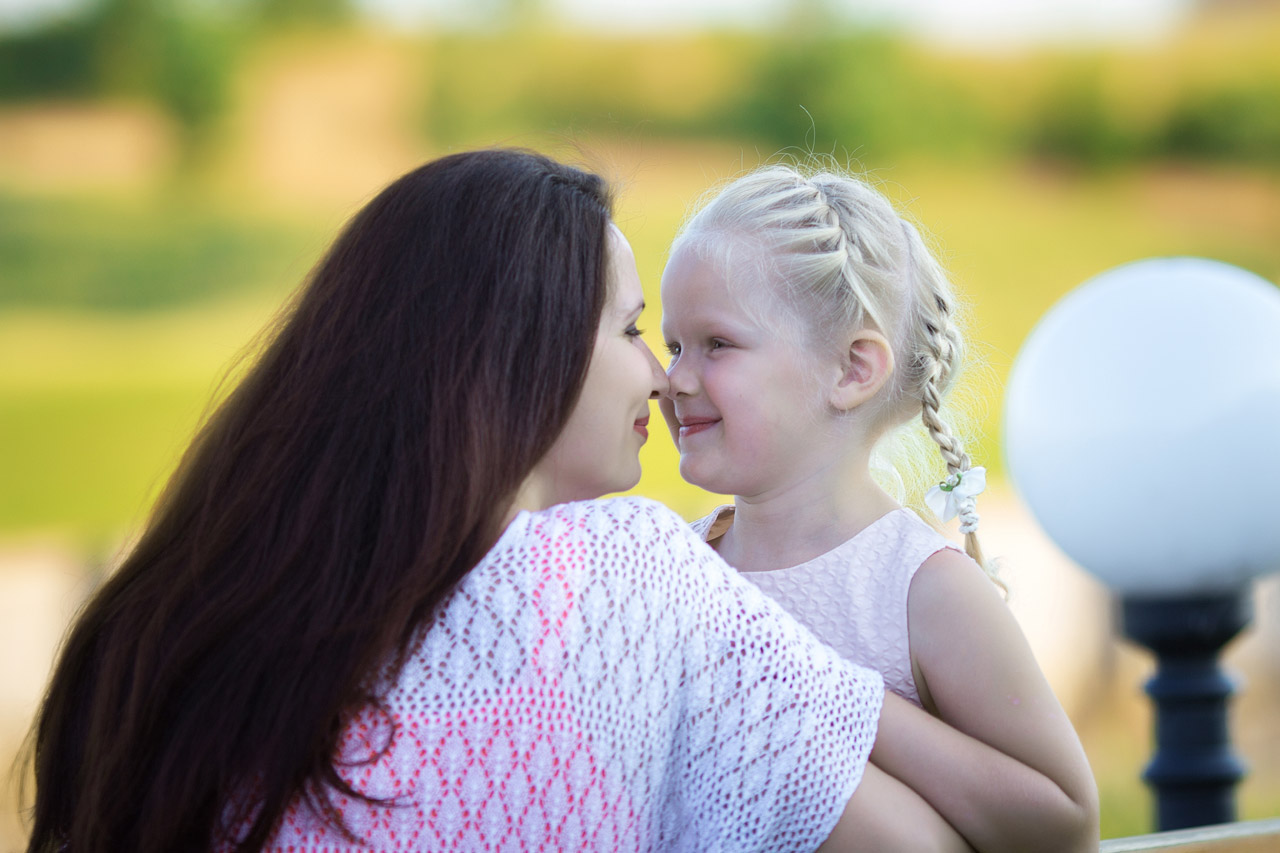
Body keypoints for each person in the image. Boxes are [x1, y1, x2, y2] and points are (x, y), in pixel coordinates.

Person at [25, 149, 975, 852]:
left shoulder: (161, 635)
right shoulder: (633, 572)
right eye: (635, 329)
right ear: (521, 351)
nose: (658, 376)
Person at [658, 164, 1100, 852]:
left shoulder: (920, 584)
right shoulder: (677, 568)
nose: (676, 378)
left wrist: (846, 703)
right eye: (672, 345)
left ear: (853, 369)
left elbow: (1063, 822)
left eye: (717, 344)